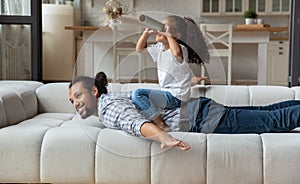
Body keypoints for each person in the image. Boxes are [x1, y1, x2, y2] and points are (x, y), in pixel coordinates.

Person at [69, 73, 300, 151]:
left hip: (201, 118)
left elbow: (133, 123)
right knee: (267, 113)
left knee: (272, 119)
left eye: (78, 96)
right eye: (71, 100)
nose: (75, 103)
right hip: (199, 110)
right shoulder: (113, 98)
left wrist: (164, 137)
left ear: (95, 91)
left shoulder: (108, 108)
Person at [132, 15, 210, 132]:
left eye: (165, 28)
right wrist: (146, 34)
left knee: (138, 94)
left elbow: (177, 53)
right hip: (168, 94)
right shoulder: (160, 48)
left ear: (176, 36)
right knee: (136, 100)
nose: (160, 31)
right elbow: (139, 49)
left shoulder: (180, 49)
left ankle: (161, 124)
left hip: (176, 96)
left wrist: (168, 35)